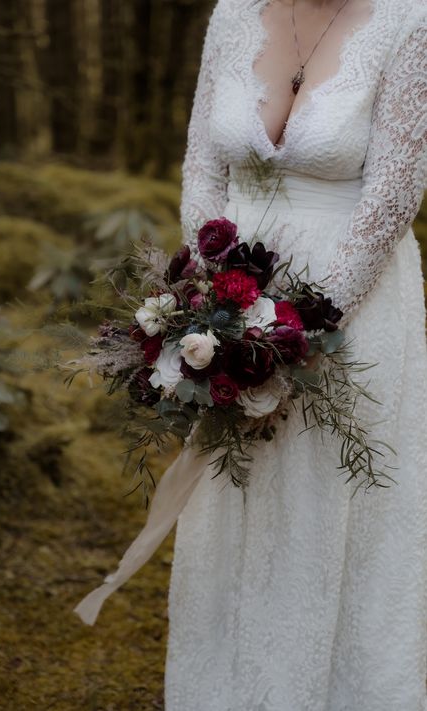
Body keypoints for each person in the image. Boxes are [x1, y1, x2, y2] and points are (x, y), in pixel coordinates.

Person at [164, 0, 427, 708]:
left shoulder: (410, 20)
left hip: (354, 309)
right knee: (239, 494)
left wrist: (299, 328)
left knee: (330, 499)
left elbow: (394, 195)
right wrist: (216, 305)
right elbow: (201, 165)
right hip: (231, 295)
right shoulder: (232, 15)